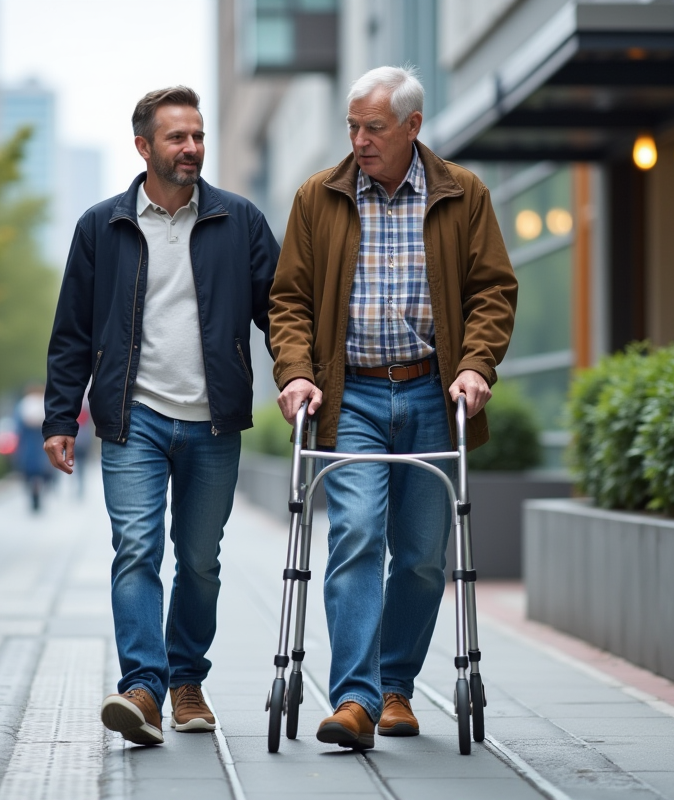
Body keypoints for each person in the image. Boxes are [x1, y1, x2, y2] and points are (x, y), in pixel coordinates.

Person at [269, 66, 518, 750]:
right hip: (350, 395)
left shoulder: (463, 194)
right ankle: (353, 698)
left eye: (373, 127)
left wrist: (474, 365)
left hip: (433, 394)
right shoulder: (317, 197)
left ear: (412, 126)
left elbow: (493, 291)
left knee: (419, 558)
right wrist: (295, 373)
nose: (359, 140)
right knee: (355, 533)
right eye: (352, 126)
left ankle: (396, 688)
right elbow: (287, 299)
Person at [42, 86, 279, 746]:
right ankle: (143, 687)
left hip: (213, 420)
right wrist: (61, 417)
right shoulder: (102, 226)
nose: (193, 148)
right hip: (132, 416)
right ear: (144, 146)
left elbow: (280, 315)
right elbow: (72, 330)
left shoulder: (240, 221)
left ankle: (186, 682)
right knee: (137, 550)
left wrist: (297, 381)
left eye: (199, 136)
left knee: (200, 560)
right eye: (178, 137)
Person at [14, 384, 55, 512]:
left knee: (29, 469)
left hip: (28, 444)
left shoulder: (22, 405)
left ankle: (34, 491)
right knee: (43, 469)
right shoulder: (46, 404)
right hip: (41, 441)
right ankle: (38, 490)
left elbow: (17, 426)